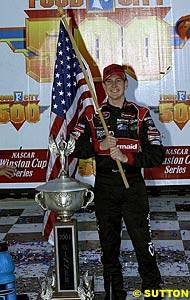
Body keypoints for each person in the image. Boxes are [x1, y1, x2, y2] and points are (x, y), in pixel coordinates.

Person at [69, 64, 165, 300]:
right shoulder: (92, 116)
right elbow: (71, 147)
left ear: (126, 85)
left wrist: (127, 157)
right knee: (109, 248)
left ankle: (152, 290)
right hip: (104, 188)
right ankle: (114, 293)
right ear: (103, 86)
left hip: (132, 187)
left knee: (143, 245)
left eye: (118, 81)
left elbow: (157, 154)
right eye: (109, 82)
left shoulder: (141, 114)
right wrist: (96, 146)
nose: (113, 86)